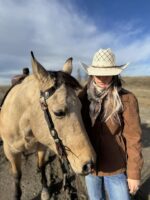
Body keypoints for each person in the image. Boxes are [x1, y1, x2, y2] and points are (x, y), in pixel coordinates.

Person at [79, 48, 143, 200]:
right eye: (97, 72)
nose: (101, 77)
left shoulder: (126, 99)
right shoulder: (81, 97)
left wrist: (134, 174)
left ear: (115, 74)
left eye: (107, 73)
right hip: (91, 165)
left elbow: (134, 138)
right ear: (91, 73)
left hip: (115, 166)